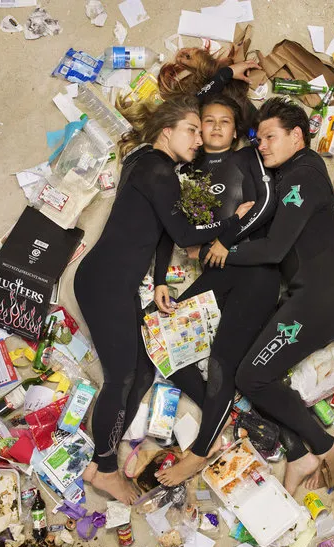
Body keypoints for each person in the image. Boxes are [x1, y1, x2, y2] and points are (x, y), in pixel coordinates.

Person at [157, 98, 334, 495]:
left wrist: (223, 251)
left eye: (270, 137)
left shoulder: (302, 178)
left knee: (252, 376)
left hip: (325, 300)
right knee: (250, 366)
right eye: (258, 137)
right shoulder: (292, 177)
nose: (262, 145)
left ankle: (324, 444)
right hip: (311, 297)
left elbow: (273, 250)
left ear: (297, 136)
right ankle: (300, 453)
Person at [74, 95, 254, 504]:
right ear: (166, 131)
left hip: (113, 282)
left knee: (139, 372)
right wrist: (233, 219)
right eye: (192, 130)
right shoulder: (159, 171)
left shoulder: (145, 162)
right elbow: (188, 234)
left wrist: (158, 280)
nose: (198, 139)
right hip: (104, 283)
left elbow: (163, 230)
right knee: (120, 377)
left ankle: (100, 457)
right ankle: (104, 469)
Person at [153, 96, 281, 487]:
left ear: (236, 128)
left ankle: (200, 449)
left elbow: (267, 203)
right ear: (196, 127)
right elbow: (166, 228)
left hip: (254, 268)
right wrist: (160, 277)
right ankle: (220, 405)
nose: (215, 127)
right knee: (156, 331)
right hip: (216, 268)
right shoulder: (182, 167)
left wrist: (227, 237)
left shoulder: (247, 158)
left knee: (224, 356)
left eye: (224, 121)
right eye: (207, 121)